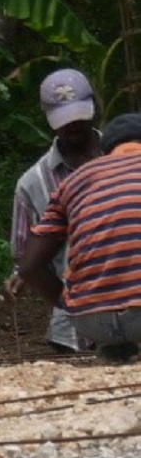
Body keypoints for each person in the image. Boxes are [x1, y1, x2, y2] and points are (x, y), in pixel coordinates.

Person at [18, 112, 141, 359]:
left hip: (91, 322)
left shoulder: (75, 180)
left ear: (106, 152)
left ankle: (115, 348)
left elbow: (29, 267)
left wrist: (72, 304)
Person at [8, 67, 102, 353]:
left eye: (78, 116)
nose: (73, 124)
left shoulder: (127, 158)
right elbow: (26, 258)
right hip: (72, 330)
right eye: (64, 119)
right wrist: (66, 302)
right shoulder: (33, 183)